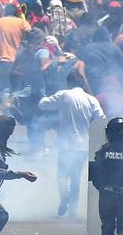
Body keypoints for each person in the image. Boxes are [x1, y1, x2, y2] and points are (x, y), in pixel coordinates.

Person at [39, 71, 106, 217]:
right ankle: (73, 211)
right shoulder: (91, 99)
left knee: (62, 174)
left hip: (66, 144)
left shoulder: (64, 95)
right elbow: (101, 119)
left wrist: (42, 94)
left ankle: (64, 195)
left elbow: (43, 105)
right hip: (83, 145)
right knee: (76, 177)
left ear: (68, 83)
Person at [0, 4, 30, 98]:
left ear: (5, 12)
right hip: (19, 61)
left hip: (3, 60)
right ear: (16, 13)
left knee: (4, 88)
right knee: (17, 88)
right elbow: (30, 34)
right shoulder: (22, 22)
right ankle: (15, 107)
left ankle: (6, 110)